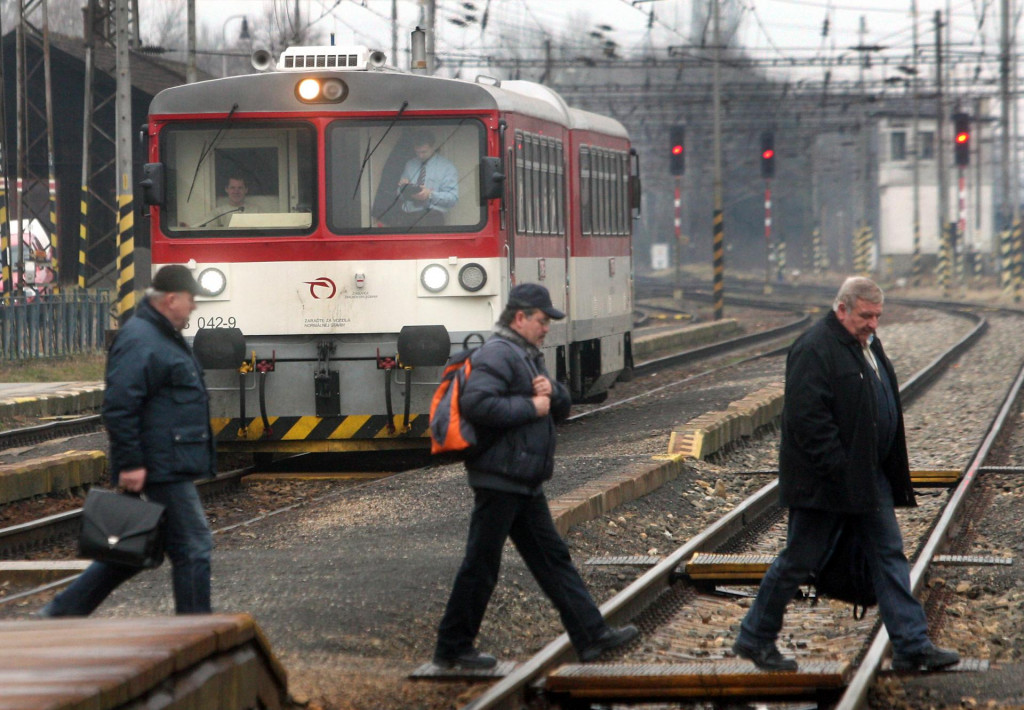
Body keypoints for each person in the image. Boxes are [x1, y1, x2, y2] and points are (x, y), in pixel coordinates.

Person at [732, 276, 960, 673]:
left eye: (877, 316)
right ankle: (755, 637)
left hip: (868, 479)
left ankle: (911, 644)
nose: (873, 323)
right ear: (842, 309)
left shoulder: (866, 345)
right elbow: (807, 420)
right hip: (826, 484)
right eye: (865, 315)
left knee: (889, 555)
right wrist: (839, 470)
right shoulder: (815, 348)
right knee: (799, 560)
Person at [432, 283, 638, 669]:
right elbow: (478, 403)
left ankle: (591, 637)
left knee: (552, 560)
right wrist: (532, 405)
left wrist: (554, 396)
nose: (546, 329)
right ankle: (452, 648)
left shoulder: (525, 355)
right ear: (520, 317)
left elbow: (556, 403)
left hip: (522, 479)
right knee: (482, 564)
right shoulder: (498, 354)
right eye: (542, 321)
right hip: (500, 477)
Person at [38, 265, 216, 617]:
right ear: (171, 299)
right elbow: (120, 406)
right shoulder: (142, 339)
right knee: (194, 547)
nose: (194, 307)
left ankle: (58, 616)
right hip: (160, 464)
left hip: (167, 458)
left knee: (132, 550)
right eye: (191, 300)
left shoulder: (159, 335)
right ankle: (197, 631)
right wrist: (131, 462)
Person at [395, 130, 458, 227]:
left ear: (433, 147)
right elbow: (398, 196)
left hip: (433, 218)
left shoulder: (446, 167)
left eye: (424, 152)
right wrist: (403, 189)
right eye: (417, 152)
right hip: (409, 218)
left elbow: (453, 199)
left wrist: (430, 195)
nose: (420, 155)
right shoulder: (410, 164)